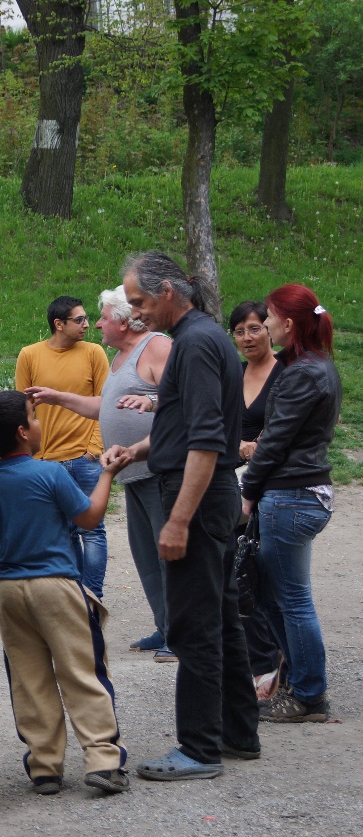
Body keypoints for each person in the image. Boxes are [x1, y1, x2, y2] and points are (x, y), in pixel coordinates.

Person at [103, 251, 260, 781]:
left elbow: (205, 440)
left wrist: (176, 520)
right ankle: (238, 733)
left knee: (192, 623)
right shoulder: (206, 336)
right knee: (219, 616)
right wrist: (139, 452)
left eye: (142, 302)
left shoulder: (192, 344)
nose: (137, 313)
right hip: (203, 493)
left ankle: (198, 748)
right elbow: (181, 429)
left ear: (169, 290)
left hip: (195, 497)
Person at [0, 391, 130, 796]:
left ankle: (45, 766)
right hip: (57, 585)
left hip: (8, 590)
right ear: (23, 432)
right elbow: (89, 517)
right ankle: (102, 760)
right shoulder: (50, 473)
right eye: (35, 416)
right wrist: (107, 475)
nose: (40, 423)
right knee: (82, 671)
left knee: (29, 678)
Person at [25, 285, 175, 661]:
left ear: (123, 322)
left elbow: (185, 398)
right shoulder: (121, 357)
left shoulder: (156, 346)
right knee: (146, 556)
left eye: (104, 318)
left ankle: (182, 634)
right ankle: (166, 626)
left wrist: (153, 400)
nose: (98, 325)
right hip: (132, 473)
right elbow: (102, 406)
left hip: (159, 470)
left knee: (168, 556)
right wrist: (58, 397)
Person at [241, 284, 341, 723]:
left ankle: (308, 695)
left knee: (292, 600)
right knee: (269, 596)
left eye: (270, 317)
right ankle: (300, 684)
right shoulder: (307, 365)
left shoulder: (304, 372)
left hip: (292, 496)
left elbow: (276, 441)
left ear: (289, 323)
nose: (264, 323)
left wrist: (247, 493)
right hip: (294, 494)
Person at [16, 297, 110, 597]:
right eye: (79, 320)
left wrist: (93, 448)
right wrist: (30, 457)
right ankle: (75, 595)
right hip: (47, 462)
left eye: (86, 319)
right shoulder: (29, 355)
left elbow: (105, 404)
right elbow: (22, 408)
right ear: (59, 324)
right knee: (63, 533)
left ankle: (92, 597)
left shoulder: (94, 353)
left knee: (92, 531)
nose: (87, 325)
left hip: (85, 459)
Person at [227, 301, 285, 697]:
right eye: (239, 331)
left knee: (269, 577)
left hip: (275, 485)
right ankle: (261, 661)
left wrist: (253, 450)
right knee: (240, 573)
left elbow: (287, 430)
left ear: (268, 329)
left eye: (254, 328)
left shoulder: (286, 372)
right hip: (235, 486)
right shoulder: (234, 373)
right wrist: (241, 448)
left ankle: (273, 664)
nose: (247, 337)